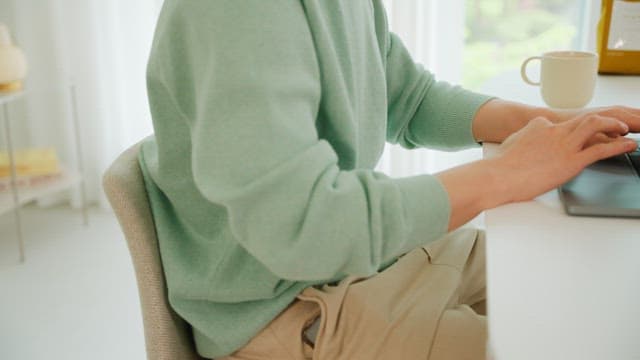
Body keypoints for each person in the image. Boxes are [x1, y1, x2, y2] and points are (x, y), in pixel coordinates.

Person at [138, 1, 640, 359]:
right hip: (286, 308)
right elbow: (302, 227)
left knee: (593, 292)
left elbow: (409, 98)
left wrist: (545, 127)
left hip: (363, 262)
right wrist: (508, 172)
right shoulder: (238, 14)